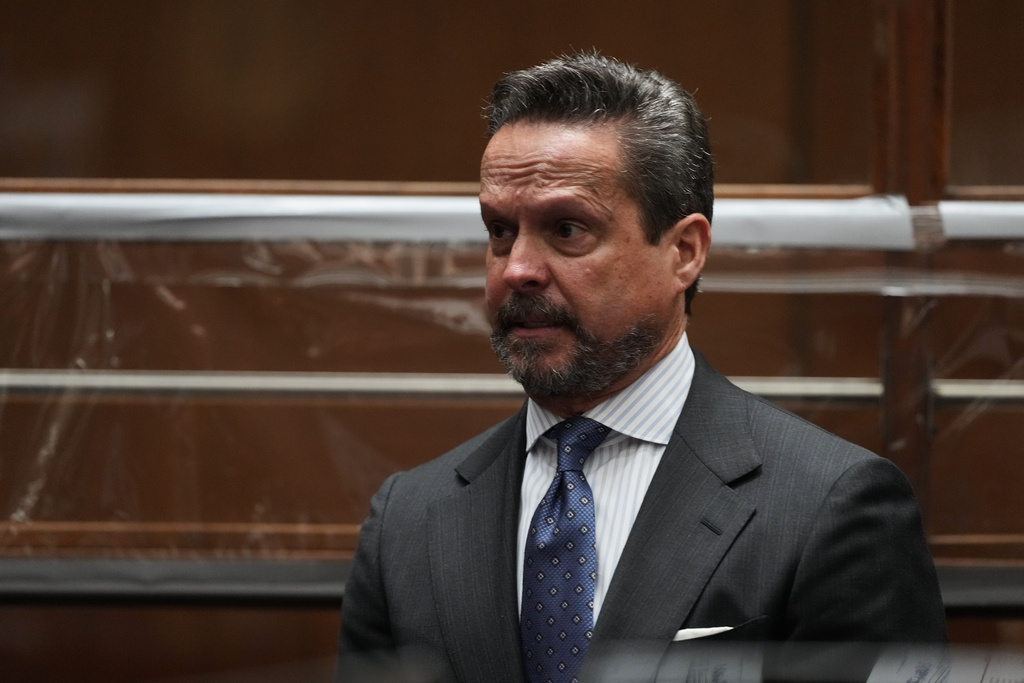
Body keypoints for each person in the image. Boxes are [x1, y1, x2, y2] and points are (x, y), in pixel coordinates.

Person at [337, 52, 946, 683]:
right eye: (499, 230)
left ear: (684, 252)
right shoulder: (408, 519)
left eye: (567, 229)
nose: (516, 268)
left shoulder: (831, 505)